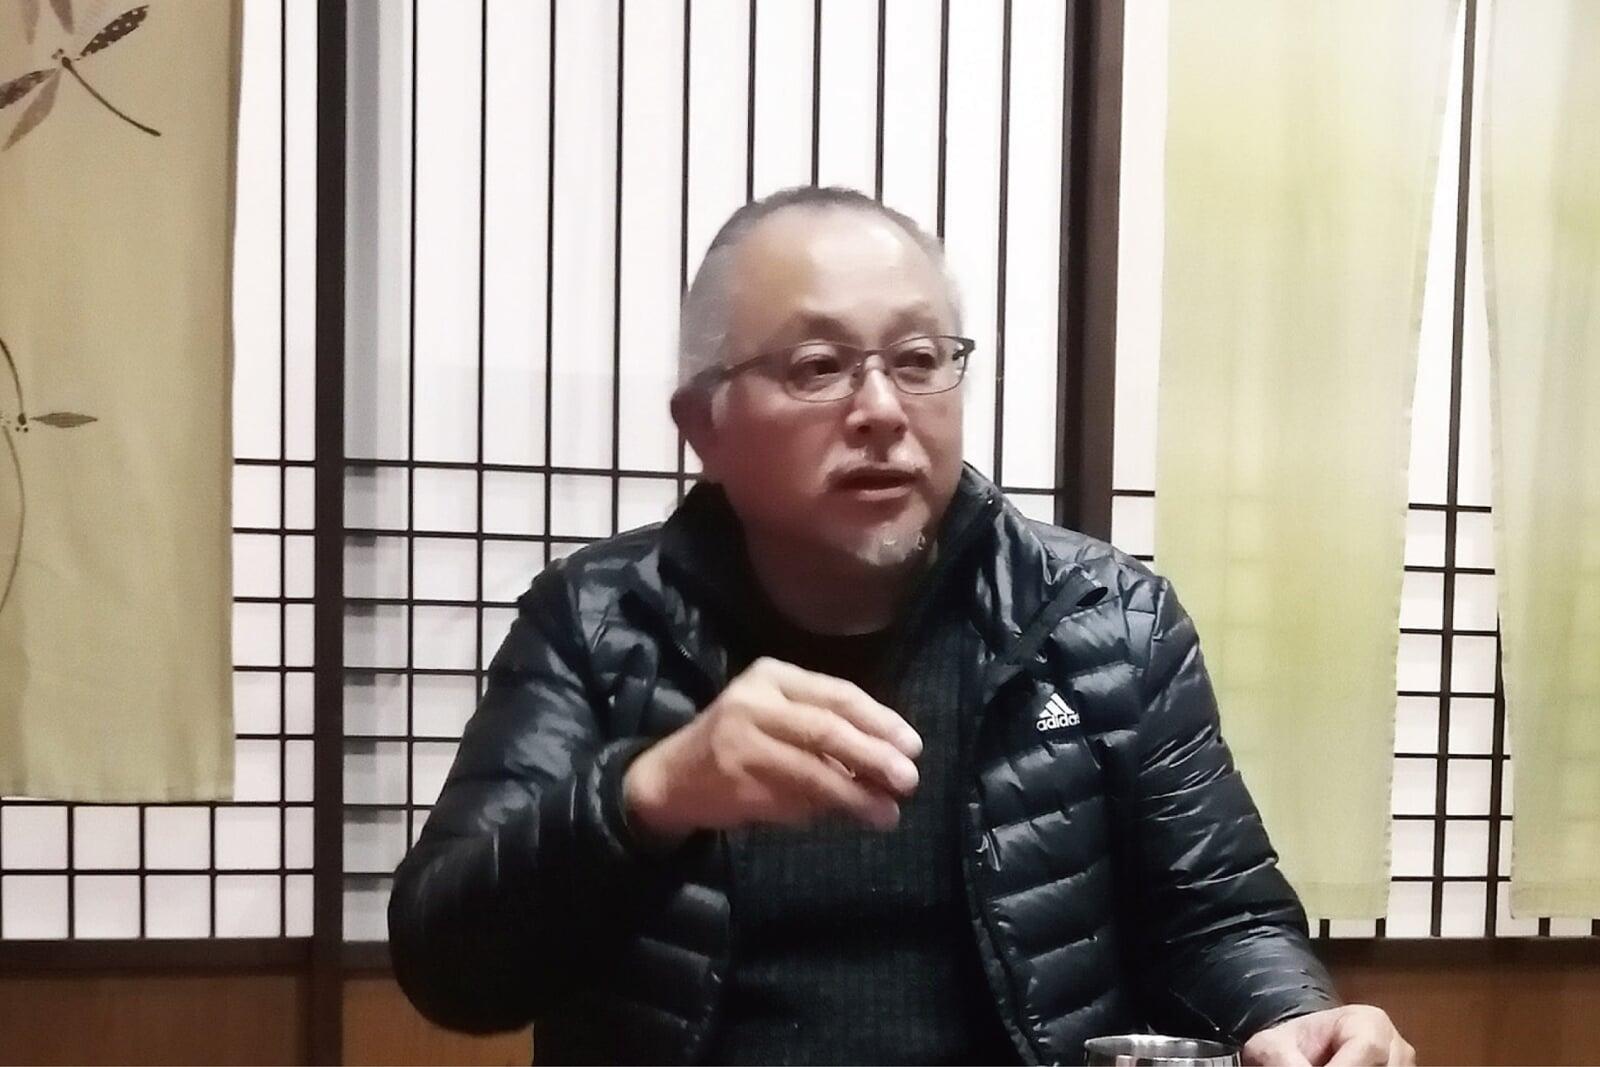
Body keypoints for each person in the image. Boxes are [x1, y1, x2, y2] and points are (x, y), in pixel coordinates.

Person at [388, 185, 1415, 1066]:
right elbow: (449, 962)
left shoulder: (1106, 618)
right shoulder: (598, 622)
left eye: (919, 358)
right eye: (817, 364)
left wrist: (1294, 1015)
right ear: (705, 424)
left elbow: (1221, 918)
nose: (882, 408)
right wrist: (649, 793)